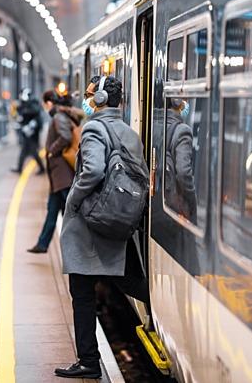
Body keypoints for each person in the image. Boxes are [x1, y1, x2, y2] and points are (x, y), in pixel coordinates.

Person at [55, 76, 148, 380]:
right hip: (118, 222)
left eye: (91, 95)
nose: (87, 99)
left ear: (101, 98)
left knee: (81, 293)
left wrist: (73, 199)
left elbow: (93, 170)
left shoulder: (95, 127)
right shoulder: (130, 133)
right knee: (127, 280)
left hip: (90, 224)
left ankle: (89, 361)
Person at [28, 88, 83, 254]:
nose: (45, 107)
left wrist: (52, 150)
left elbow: (65, 137)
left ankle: (79, 249)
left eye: (46, 104)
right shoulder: (61, 115)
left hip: (62, 174)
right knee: (52, 210)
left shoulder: (58, 117)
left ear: (49, 103)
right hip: (58, 175)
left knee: (71, 213)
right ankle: (42, 244)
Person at [164, 98, 197, 224]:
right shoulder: (182, 131)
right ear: (178, 104)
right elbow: (183, 173)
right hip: (174, 209)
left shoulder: (151, 124)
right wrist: (192, 203)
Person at [12, 89, 45, 175]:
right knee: (24, 150)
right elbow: (21, 113)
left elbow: (34, 112)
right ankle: (19, 168)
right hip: (26, 131)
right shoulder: (24, 104)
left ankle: (41, 168)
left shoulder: (32, 103)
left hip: (32, 133)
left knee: (33, 151)